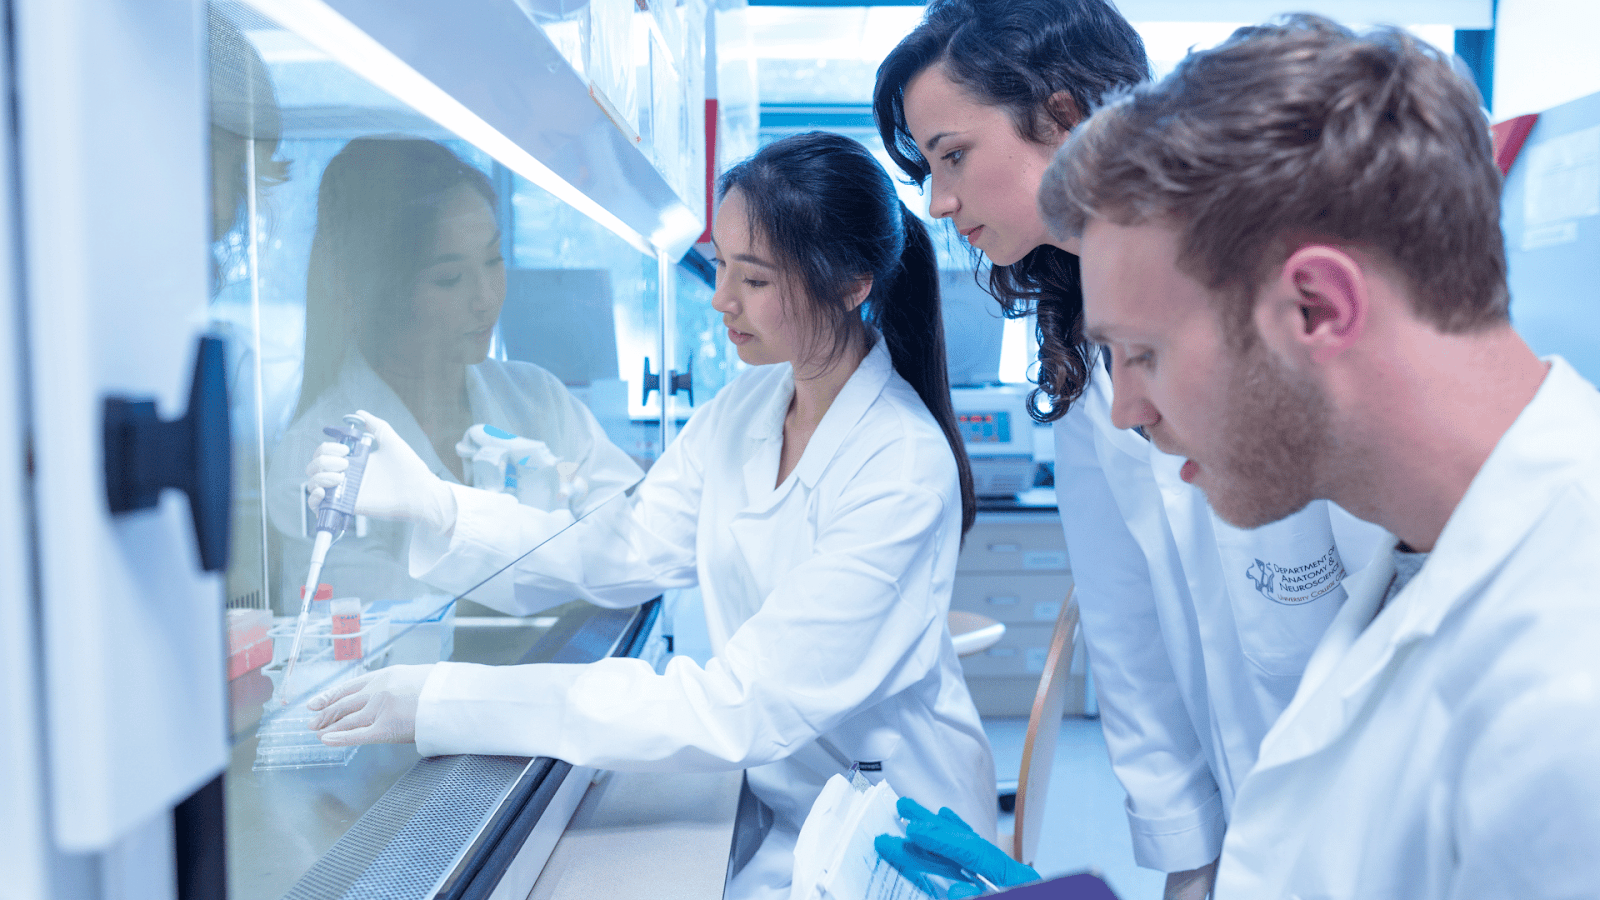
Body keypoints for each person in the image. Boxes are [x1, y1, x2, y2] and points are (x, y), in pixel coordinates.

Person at [299, 132, 997, 900]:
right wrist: (438, 507)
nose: (722, 299)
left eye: (755, 278)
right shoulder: (750, 405)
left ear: (851, 284)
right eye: (722, 265)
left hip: (896, 841)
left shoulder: (898, 466)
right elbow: (618, 550)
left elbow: (737, 706)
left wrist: (446, 701)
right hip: (793, 808)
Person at [1041, 14, 1600, 897]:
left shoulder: (1568, 693)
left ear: (1316, 310)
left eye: (1143, 353)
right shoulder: (1416, 546)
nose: (1126, 411)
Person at [871, 1, 1388, 895]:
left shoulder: (1277, 295)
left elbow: (1399, 611)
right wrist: (1189, 862)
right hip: (1244, 823)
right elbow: (1129, 636)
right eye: (926, 169)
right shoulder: (1082, 343)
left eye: (953, 155)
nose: (938, 201)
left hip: (1377, 826)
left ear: (1064, 115)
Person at [265, 136, 642, 612]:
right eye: (449, 278)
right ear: (381, 292)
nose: (486, 297)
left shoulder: (538, 399)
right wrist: (569, 557)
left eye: (493, 261)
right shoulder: (318, 457)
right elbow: (399, 627)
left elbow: (634, 545)